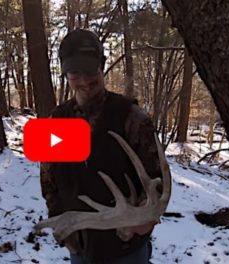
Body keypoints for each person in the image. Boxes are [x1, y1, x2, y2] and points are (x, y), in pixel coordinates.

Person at [40, 29, 163, 264]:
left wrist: (143, 220)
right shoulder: (57, 120)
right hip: (80, 247)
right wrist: (62, 225)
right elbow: (49, 182)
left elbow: (158, 180)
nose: (85, 81)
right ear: (65, 73)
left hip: (125, 248)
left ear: (102, 65)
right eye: (75, 73)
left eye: (90, 71)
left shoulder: (131, 117)